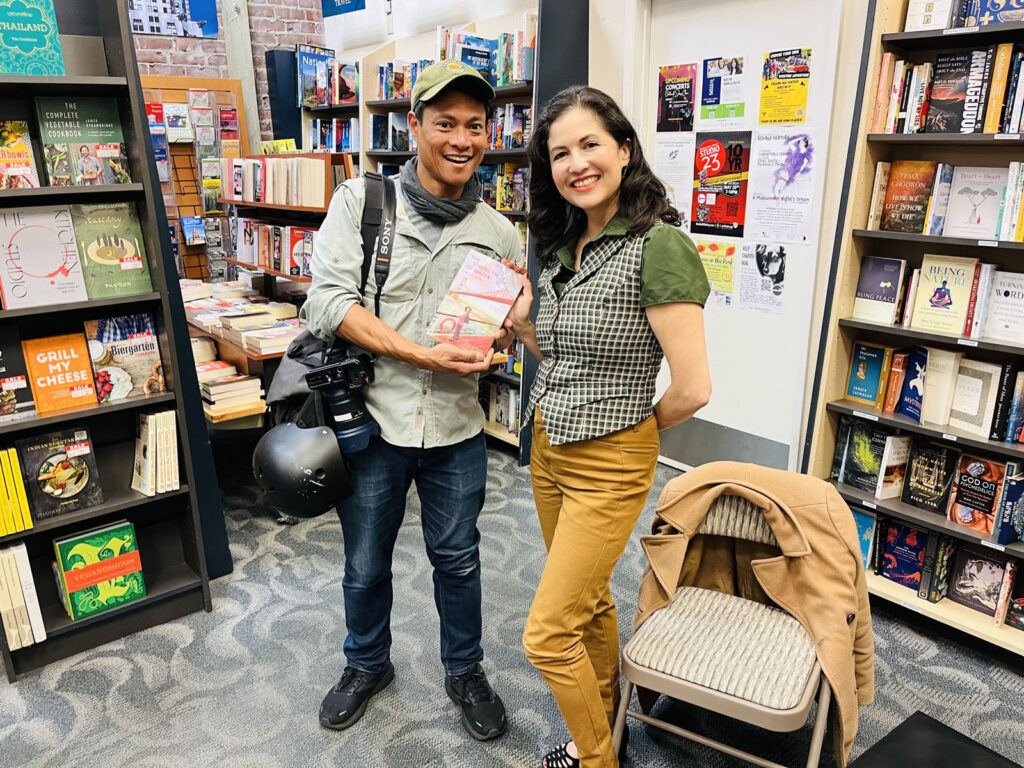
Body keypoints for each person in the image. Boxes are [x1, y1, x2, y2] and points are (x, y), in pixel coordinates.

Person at [301, 60, 521, 741]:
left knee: (458, 559)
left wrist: (508, 327)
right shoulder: (363, 203)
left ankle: (464, 670)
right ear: (414, 126)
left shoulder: (501, 233)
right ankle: (367, 664)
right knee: (366, 562)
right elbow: (326, 303)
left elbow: (498, 335)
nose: (462, 138)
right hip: (373, 422)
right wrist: (422, 353)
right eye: (446, 123)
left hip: (456, 427)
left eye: (475, 125)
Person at [503, 86, 712, 768]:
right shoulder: (567, 246)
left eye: (590, 144)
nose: (575, 162)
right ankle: (612, 716)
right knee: (587, 603)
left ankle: (597, 759)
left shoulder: (660, 246)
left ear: (624, 149)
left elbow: (693, 388)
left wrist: (632, 431)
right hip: (547, 448)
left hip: (609, 460)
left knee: (546, 633)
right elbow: (564, 359)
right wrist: (528, 325)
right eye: (559, 153)